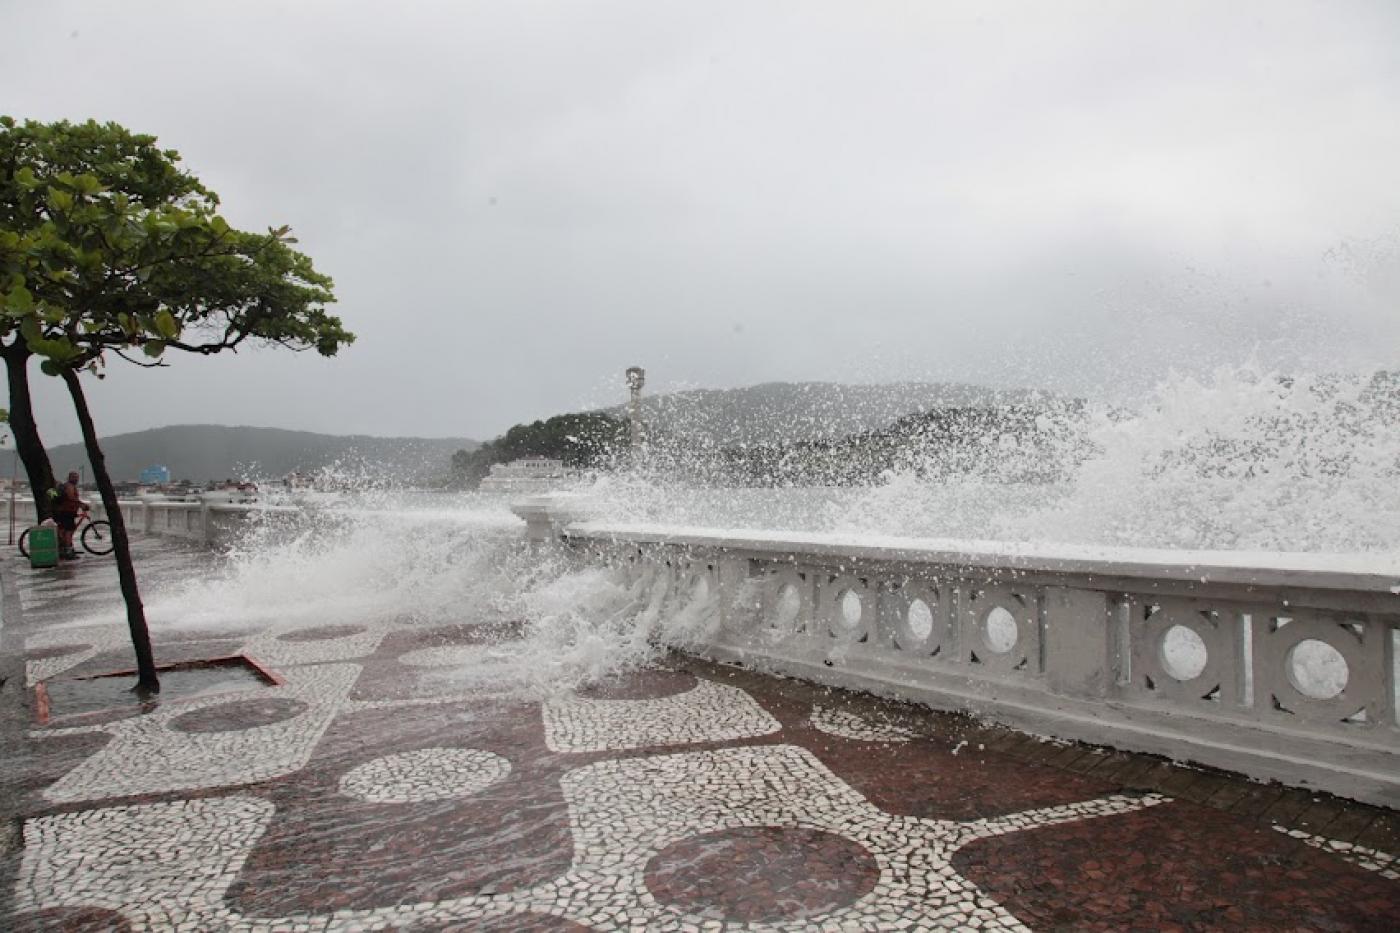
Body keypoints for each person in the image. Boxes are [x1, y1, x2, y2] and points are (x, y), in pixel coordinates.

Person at [53, 471, 90, 560]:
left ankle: (63, 550)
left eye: (77, 477)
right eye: (74, 477)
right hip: (67, 511)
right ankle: (68, 552)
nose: (76, 479)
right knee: (68, 532)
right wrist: (82, 504)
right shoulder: (69, 486)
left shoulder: (68, 486)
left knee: (63, 531)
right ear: (70, 478)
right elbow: (71, 498)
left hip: (65, 511)